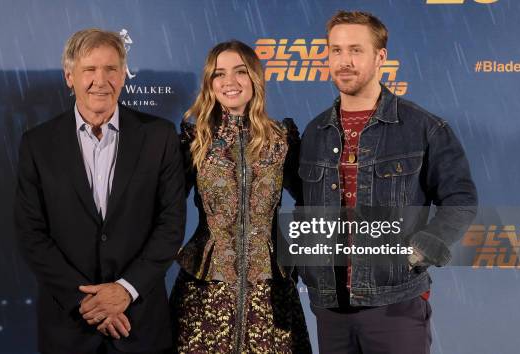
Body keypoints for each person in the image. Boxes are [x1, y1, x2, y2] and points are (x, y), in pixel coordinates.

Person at [298, 11, 478, 354]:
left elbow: (461, 200)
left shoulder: (424, 128)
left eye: (355, 50)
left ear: (380, 56)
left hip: (395, 304)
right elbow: (305, 201)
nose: (344, 61)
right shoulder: (314, 132)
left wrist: (414, 254)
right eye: (335, 50)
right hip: (329, 306)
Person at [14, 28, 185, 354]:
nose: (100, 80)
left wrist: (125, 291)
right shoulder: (37, 144)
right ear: (69, 77)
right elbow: (31, 233)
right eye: (89, 70)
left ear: (123, 76)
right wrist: (86, 302)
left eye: (111, 69)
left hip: (140, 324)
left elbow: (171, 225)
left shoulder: (159, 137)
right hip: (69, 328)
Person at [169, 40, 311, 353]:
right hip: (204, 292)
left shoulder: (281, 138)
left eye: (240, 72)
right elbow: (166, 207)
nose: (229, 82)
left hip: (271, 293)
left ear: (255, 78)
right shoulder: (195, 140)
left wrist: (302, 255)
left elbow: (311, 198)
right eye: (219, 74)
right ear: (210, 83)